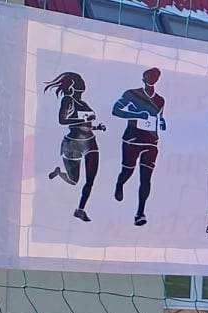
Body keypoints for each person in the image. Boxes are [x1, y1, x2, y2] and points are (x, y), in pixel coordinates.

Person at [43, 72, 105, 222]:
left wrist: (96, 127)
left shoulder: (84, 103)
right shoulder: (67, 100)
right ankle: (59, 172)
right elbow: (62, 120)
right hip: (73, 143)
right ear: (72, 87)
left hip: (90, 142)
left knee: (90, 179)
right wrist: (82, 119)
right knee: (73, 180)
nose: (82, 87)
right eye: (79, 84)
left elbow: (86, 125)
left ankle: (80, 210)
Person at [111, 67, 165, 226]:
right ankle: (120, 184)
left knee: (146, 178)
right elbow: (116, 110)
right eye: (149, 76)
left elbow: (160, 117)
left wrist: (162, 122)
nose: (152, 78)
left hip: (151, 142)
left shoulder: (160, 100)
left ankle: (140, 213)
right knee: (127, 171)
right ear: (143, 78)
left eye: (155, 76)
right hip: (132, 139)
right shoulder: (132, 94)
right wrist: (137, 115)